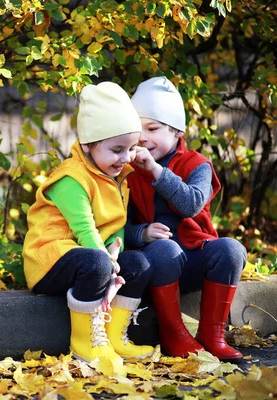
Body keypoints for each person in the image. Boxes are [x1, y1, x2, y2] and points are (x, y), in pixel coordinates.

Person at [22, 81, 155, 363]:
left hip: (89, 257)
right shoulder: (71, 178)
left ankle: (113, 338)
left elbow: (116, 224)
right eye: (117, 149)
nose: (125, 158)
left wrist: (115, 254)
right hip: (50, 259)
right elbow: (85, 230)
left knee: (139, 264)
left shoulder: (117, 175)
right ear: (88, 144)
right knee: (97, 263)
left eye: (131, 148)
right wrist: (108, 262)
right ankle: (85, 344)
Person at [126, 76, 247, 362]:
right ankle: (173, 334)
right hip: (155, 264)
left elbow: (191, 204)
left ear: (177, 131)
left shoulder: (197, 165)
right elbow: (118, 225)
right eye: (137, 129)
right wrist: (141, 234)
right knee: (165, 249)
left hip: (193, 258)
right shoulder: (127, 170)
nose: (143, 137)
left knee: (231, 249)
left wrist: (156, 171)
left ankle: (212, 334)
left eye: (152, 128)